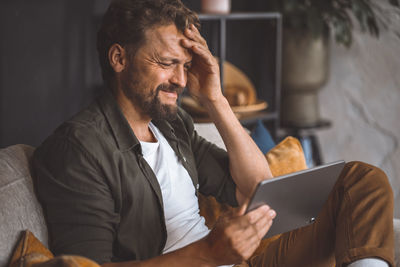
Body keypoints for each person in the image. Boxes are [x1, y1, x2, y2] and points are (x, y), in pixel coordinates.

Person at [32, 0, 395, 266]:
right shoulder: (79, 148)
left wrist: (216, 99)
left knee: (359, 180)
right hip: (209, 258)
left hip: (236, 259)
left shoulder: (172, 125)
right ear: (118, 58)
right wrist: (207, 254)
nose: (179, 79)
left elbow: (257, 190)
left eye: (185, 66)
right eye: (166, 63)